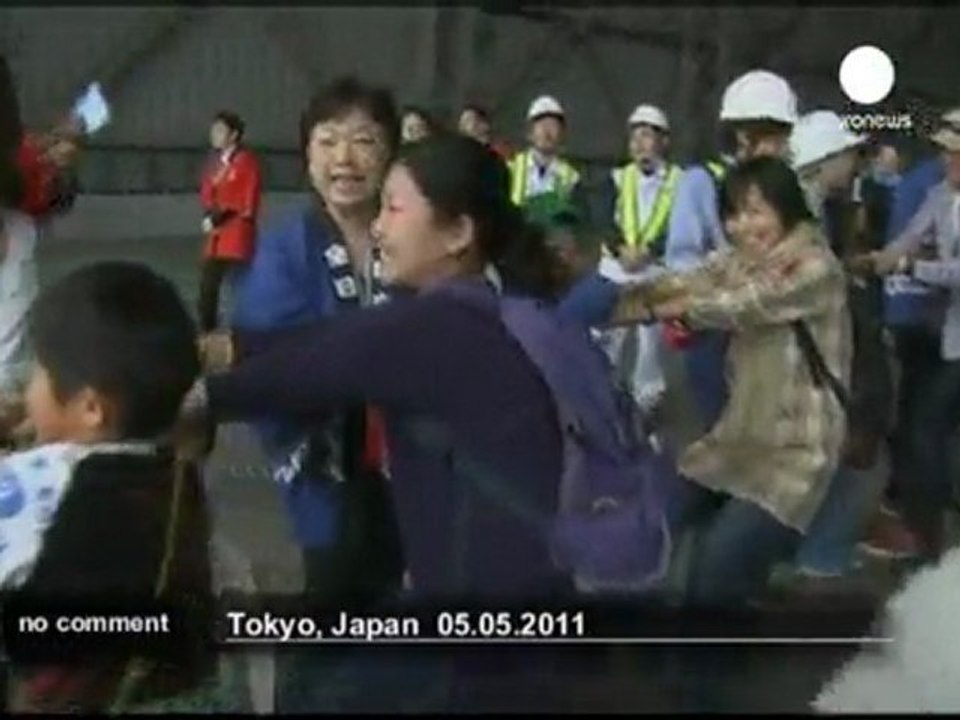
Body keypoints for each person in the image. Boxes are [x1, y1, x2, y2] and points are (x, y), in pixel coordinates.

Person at [613, 155, 852, 605]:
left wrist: (665, 309)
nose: (743, 226)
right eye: (734, 214)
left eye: (756, 211)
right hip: (738, 439)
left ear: (787, 210)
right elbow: (688, 279)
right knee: (655, 519)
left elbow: (743, 303)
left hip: (796, 452)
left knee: (719, 566)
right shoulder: (739, 260)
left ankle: (705, 669)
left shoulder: (816, 266)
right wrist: (613, 302)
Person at [1, 262, 231, 712]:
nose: (29, 390)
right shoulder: (175, 481)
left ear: (91, 408)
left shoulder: (37, 480)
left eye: (40, 374)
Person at [225, 78, 402, 607]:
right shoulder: (284, 248)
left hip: (411, 451)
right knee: (335, 586)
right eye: (328, 141)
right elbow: (268, 352)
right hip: (325, 453)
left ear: (391, 153)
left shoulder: (414, 233)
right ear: (307, 154)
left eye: (364, 141)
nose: (344, 159)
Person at [775, 111, 892, 587]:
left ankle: (811, 554)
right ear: (823, 159)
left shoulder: (820, 209)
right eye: (847, 153)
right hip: (814, 362)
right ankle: (819, 558)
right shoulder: (803, 216)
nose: (854, 162)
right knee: (852, 466)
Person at [664, 70, 800, 434]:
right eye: (777, 136)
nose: (785, 146)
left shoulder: (780, 190)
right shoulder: (701, 183)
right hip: (715, 339)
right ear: (744, 135)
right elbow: (682, 263)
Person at [852, 117, 960, 561]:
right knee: (925, 425)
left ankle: (926, 538)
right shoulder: (940, 195)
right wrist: (877, 258)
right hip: (948, 334)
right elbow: (911, 237)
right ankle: (925, 529)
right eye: (945, 152)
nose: (947, 159)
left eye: (955, 152)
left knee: (926, 429)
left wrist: (908, 268)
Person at [198, 110, 262, 333]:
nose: (214, 135)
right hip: (216, 236)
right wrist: (209, 213)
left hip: (236, 234)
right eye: (213, 130)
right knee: (208, 286)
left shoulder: (246, 162)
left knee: (240, 287)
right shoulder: (214, 163)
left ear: (233, 135)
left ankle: (244, 330)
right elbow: (207, 191)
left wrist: (226, 214)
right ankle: (208, 330)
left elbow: (249, 197)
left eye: (220, 130)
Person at [507, 95, 580, 207]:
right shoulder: (511, 168)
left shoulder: (572, 177)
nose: (547, 131)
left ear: (562, 134)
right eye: (541, 125)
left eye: (553, 125)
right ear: (530, 133)